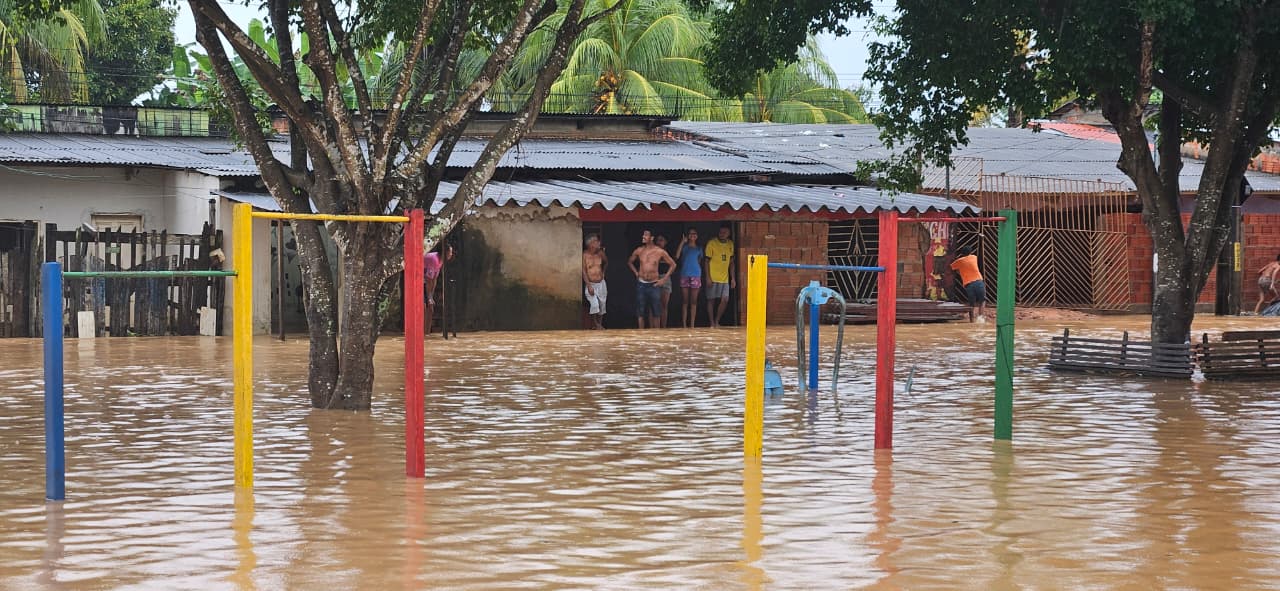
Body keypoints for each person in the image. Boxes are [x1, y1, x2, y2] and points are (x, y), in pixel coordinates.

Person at [627, 229, 676, 329]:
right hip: (641, 283)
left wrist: (664, 279)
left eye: (646, 235)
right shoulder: (639, 250)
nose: (643, 237)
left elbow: (673, 264)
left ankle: (656, 334)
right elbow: (630, 261)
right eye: (643, 235)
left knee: (656, 311)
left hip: (654, 284)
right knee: (640, 311)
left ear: (652, 238)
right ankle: (642, 333)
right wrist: (636, 273)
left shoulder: (659, 252)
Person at [703, 223, 735, 327]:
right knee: (711, 300)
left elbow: (731, 262)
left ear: (729, 234)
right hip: (713, 276)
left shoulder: (730, 244)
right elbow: (706, 261)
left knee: (725, 299)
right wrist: (708, 277)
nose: (722, 234)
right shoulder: (711, 243)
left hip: (725, 278)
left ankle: (717, 320)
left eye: (725, 232)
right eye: (721, 232)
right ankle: (712, 322)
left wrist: (733, 278)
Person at [673, 227, 703, 328]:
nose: (692, 235)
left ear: (697, 236)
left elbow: (699, 261)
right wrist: (682, 242)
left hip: (696, 275)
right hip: (684, 275)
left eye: (694, 233)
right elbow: (676, 256)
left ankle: (692, 325)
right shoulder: (685, 247)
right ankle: (684, 324)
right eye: (690, 233)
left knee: (693, 301)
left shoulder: (699, 249)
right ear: (687, 236)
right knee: (685, 301)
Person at [424, 243, 455, 335]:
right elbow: (428, 279)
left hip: (425, 281)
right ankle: (420, 334)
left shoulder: (440, 261)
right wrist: (429, 297)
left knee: (430, 309)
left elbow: (434, 279)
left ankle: (426, 335)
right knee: (424, 309)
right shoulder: (434, 259)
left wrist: (431, 297)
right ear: (445, 252)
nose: (451, 254)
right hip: (417, 279)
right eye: (450, 252)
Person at [949, 245, 986, 322]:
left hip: (968, 284)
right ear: (971, 252)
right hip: (979, 281)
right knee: (982, 300)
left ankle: (971, 321)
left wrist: (960, 272)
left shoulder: (959, 261)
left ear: (962, 253)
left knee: (971, 303)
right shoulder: (974, 257)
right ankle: (981, 317)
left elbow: (951, 267)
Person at [582, 233, 608, 329]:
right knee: (594, 305)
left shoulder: (600, 253)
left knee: (602, 304)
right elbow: (584, 271)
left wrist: (603, 272)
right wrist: (588, 285)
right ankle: (595, 324)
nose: (599, 243)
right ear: (591, 243)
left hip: (601, 283)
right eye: (597, 241)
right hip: (591, 283)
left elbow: (606, 262)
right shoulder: (584, 255)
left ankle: (599, 324)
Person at [654, 235, 673, 328]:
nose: (659, 242)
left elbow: (674, 264)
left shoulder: (667, 253)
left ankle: (664, 328)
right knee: (653, 305)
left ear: (665, 242)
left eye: (661, 240)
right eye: (657, 240)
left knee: (664, 305)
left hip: (665, 278)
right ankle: (653, 329)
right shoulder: (652, 252)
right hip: (654, 278)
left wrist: (665, 277)